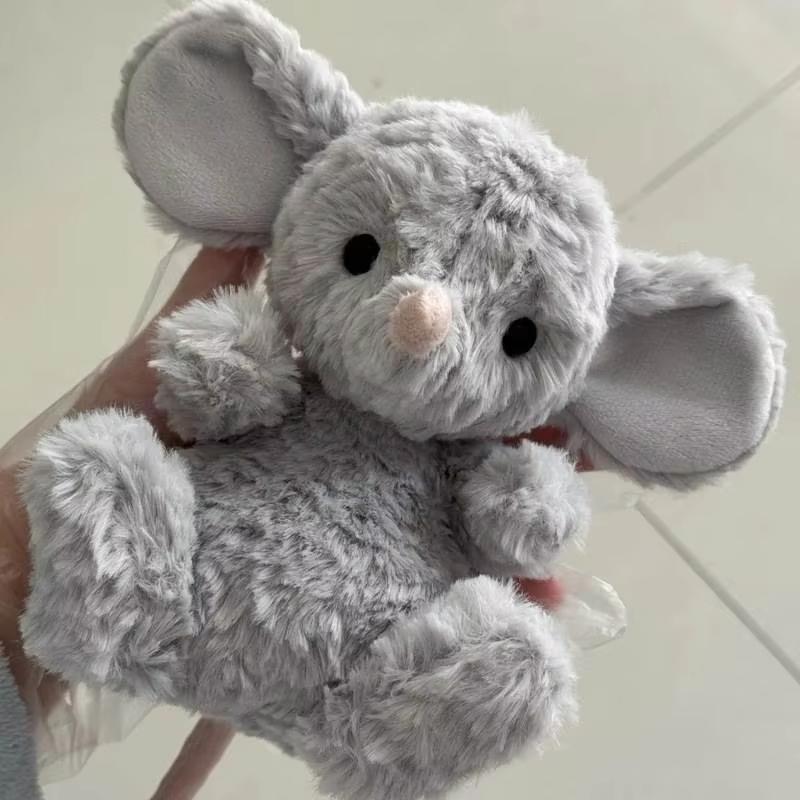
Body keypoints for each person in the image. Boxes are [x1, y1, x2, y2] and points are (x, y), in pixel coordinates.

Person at [0, 247, 584, 799]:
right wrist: (228, 361)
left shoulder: (466, 462)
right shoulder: (301, 385)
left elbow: (525, 523)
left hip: (337, 682)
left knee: (515, 670)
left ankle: (376, 731)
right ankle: (116, 608)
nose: (423, 317)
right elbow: (211, 390)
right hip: (169, 599)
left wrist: (530, 498)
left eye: (517, 336)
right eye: (363, 253)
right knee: (101, 466)